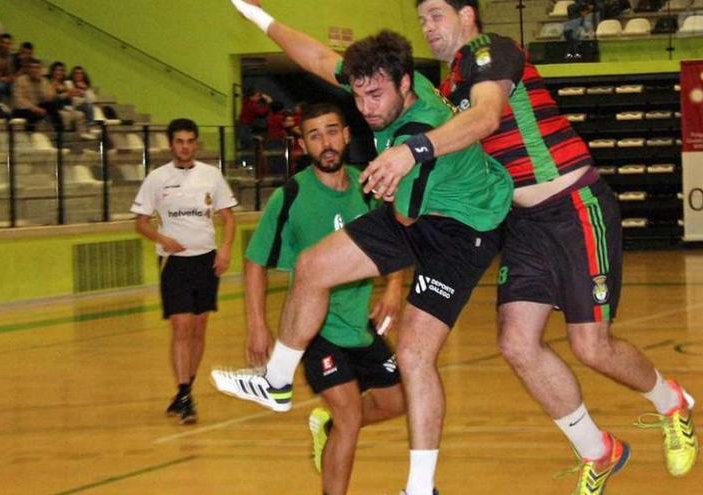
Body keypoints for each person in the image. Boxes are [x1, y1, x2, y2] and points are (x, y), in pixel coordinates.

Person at [361, 1, 698, 493]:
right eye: (422, 20)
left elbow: (488, 117)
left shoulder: (490, 52)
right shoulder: (449, 84)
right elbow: (347, 71)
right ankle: (598, 450)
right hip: (523, 222)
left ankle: (673, 402)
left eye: (436, 14)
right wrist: (261, 19)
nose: (428, 27)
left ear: (468, 14)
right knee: (516, 343)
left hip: (574, 205)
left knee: (591, 346)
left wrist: (412, 150)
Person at [213, 5, 513, 495]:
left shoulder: (420, 127)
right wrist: (260, 18)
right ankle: (278, 380)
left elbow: (406, 220)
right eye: (358, 95)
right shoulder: (382, 76)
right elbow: (315, 56)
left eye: (375, 95)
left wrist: (403, 164)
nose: (367, 106)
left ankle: (420, 488)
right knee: (311, 266)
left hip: (463, 227)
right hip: (417, 204)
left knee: (415, 357)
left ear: (404, 86)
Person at [244, 103, 405, 495]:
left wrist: (394, 287)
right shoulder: (291, 196)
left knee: (396, 402)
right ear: (303, 144)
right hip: (314, 331)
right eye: (314, 135)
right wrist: (257, 324)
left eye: (332, 132)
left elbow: (397, 238)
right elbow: (254, 262)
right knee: (350, 416)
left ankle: (328, 427)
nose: (326, 143)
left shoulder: (368, 187)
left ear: (347, 135)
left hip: (358, 325)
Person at [132, 118, 238, 425]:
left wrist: (226, 248)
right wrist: (162, 238)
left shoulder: (212, 176)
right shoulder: (156, 178)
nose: (185, 146)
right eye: (179, 141)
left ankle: (185, 391)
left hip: (206, 261)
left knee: (199, 327)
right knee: (181, 325)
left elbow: (228, 218)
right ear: (171, 144)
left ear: (196, 143)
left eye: (190, 141)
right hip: (174, 263)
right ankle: (184, 393)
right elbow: (140, 222)